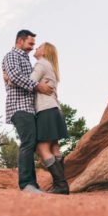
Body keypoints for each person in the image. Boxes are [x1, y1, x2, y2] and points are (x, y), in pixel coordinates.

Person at [2, 29, 54, 194]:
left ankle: (33, 185)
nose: (32, 47)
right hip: (19, 106)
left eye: (34, 45)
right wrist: (38, 86)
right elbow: (16, 76)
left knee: (32, 144)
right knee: (28, 142)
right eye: (30, 43)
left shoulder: (25, 59)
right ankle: (27, 184)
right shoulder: (12, 56)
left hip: (29, 108)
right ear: (20, 41)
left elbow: (17, 79)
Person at [30, 42, 69, 194]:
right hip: (55, 109)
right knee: (54, 148)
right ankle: (61, 185)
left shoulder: (41, 63)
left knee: (42, 147)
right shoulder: (51, 67)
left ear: (45, 51)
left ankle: (61, 185)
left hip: (45, 109)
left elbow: (29, 81)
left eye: (39, 46)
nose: (36, 48)